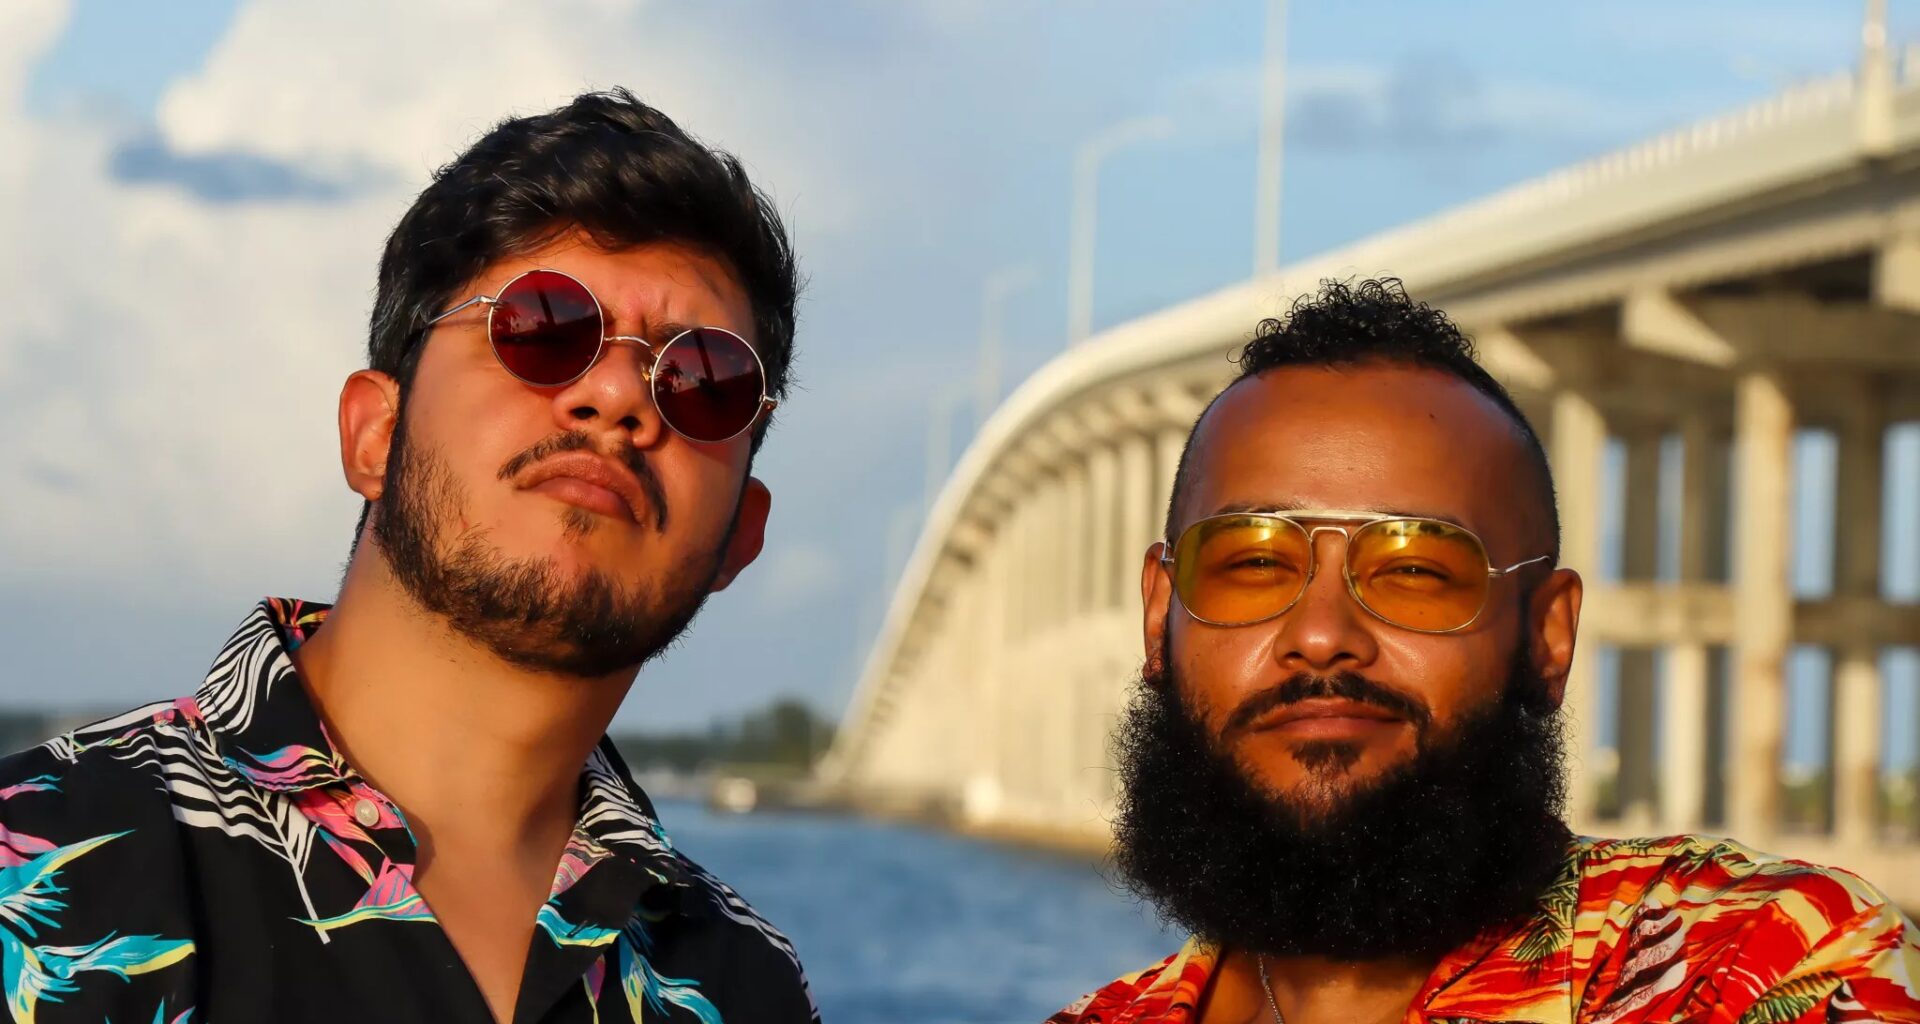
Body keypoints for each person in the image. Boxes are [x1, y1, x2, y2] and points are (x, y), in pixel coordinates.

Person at [0, 90, 816, 1023]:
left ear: (741, 536)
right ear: (373, 434)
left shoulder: (740, 983)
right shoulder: (35, 860)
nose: (619, 397)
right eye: (545, 328)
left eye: (702, 381)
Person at [1048, 279, 1920, 1024]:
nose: (1320, 635)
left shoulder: (1756, 963)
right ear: (1161, 614)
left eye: (1417, 570)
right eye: (1254, 563)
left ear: (1547, 636)